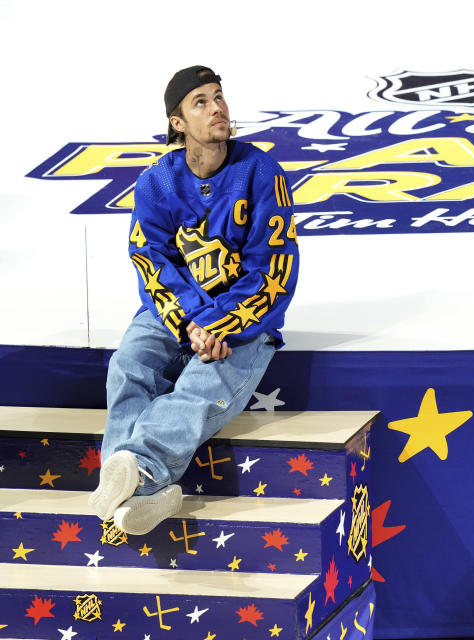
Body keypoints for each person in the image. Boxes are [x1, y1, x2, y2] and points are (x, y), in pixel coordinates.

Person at [89, 65, 299, 535]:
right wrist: (191, 321)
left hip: (242, 315)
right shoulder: (156, 183)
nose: (217, 108)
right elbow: (150, 260)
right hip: (175, 311)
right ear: (178, 123)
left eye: (219, 96)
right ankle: (138, 491)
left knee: (205, 380)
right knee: (128, 363)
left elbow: (274, 267)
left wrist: (220, 325)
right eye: (200, 102)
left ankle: (137, 472)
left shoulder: (261, 171)